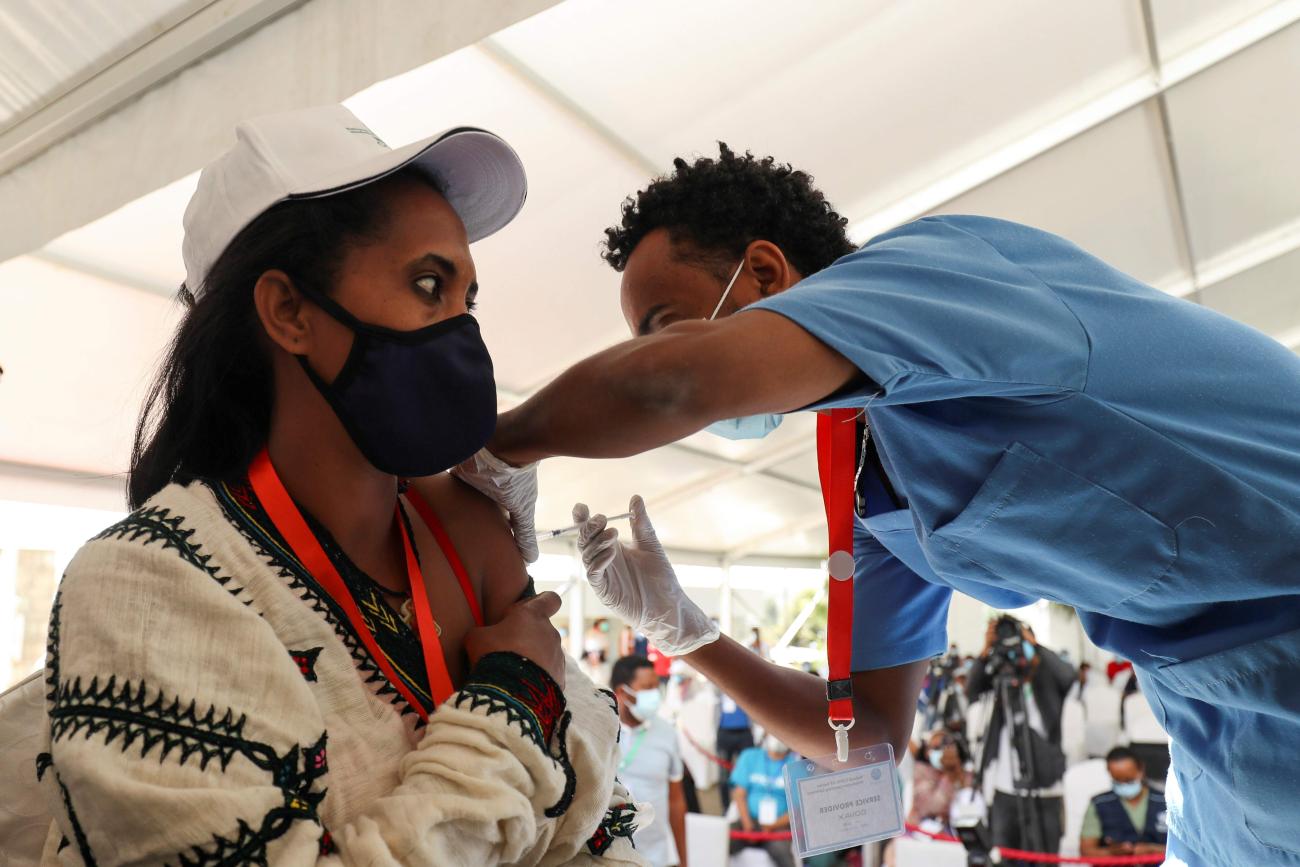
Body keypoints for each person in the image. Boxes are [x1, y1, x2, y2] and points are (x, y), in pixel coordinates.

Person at [456, 144, 1300, 867]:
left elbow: (675, 380)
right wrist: (691, 632)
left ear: (765, 271)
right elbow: (869, 736)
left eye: (667, 322)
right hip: (1221, 738)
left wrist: (500, 443)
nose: (648, 356)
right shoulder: (872, 462)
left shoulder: (940, 267)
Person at [33, 105, 644, 866]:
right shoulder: (146, 581)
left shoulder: (468, 540)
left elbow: (600, 821)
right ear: (289, 311)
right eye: (429, 284)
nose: (462, 330)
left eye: (468, 298)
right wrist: (516, 698)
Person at [967, 618, 1075, 861]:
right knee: (1005, 857)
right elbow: (972, 689)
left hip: (1045, 788)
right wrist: (986, 650)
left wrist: (1035, 646)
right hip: (1005, 789)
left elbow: (1068, 676)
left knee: (1044, 858)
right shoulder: (999, 675)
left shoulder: (1046, 678)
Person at [611, 656, 688, 867]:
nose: (654, 694)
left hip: (655, 857)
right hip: (604, 855)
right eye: (646, 688)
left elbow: (676, 800)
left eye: (656, 686)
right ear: (621, 691)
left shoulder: (667, 733)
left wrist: (683, 860)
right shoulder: (600, 731)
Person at [1079, 747, 1167, 860]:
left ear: (1141, 770)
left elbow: (1186, 848)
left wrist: (1152, 850)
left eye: (1129, 780)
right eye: (1117, 781)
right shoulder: (1099, 803)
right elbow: (1086, 851)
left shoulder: (1165, 801)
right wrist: (1112, 852)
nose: (1124, 785)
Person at [728, 734, 798, 867]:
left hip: (779, 826)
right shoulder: (749, 756)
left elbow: (797, 808)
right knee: (720, 842)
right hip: (748, 820)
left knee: (782, 852)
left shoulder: (796, 765)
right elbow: (739, 794)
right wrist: (747, 824)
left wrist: (771, 826)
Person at [908, 730, 968, 832]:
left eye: (943, 747)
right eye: (935, 748)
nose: (941, 752)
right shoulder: (921, 771)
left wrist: (954, 771)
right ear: (927, 752)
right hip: (919, 832)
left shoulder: (962, 773)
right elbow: (932, 806)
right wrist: (948, 776)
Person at [715, 690, 755, 811]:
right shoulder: (718, 685)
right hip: (724, 733)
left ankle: (747, 809)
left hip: (745, 732)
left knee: (749, 772)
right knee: (723, 774)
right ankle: (726, 808)